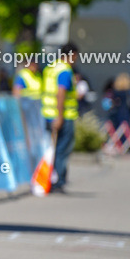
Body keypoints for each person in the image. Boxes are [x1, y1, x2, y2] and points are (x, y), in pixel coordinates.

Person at [42, 43, 79, 192]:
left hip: (47, 114)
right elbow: (61, 92)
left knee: (50, 148)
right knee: (62, 149)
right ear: (72, 55)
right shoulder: (64, 70)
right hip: (62, 115)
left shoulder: (51, 67)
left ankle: (47, 179)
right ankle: (58, 181)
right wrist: (59, 116)